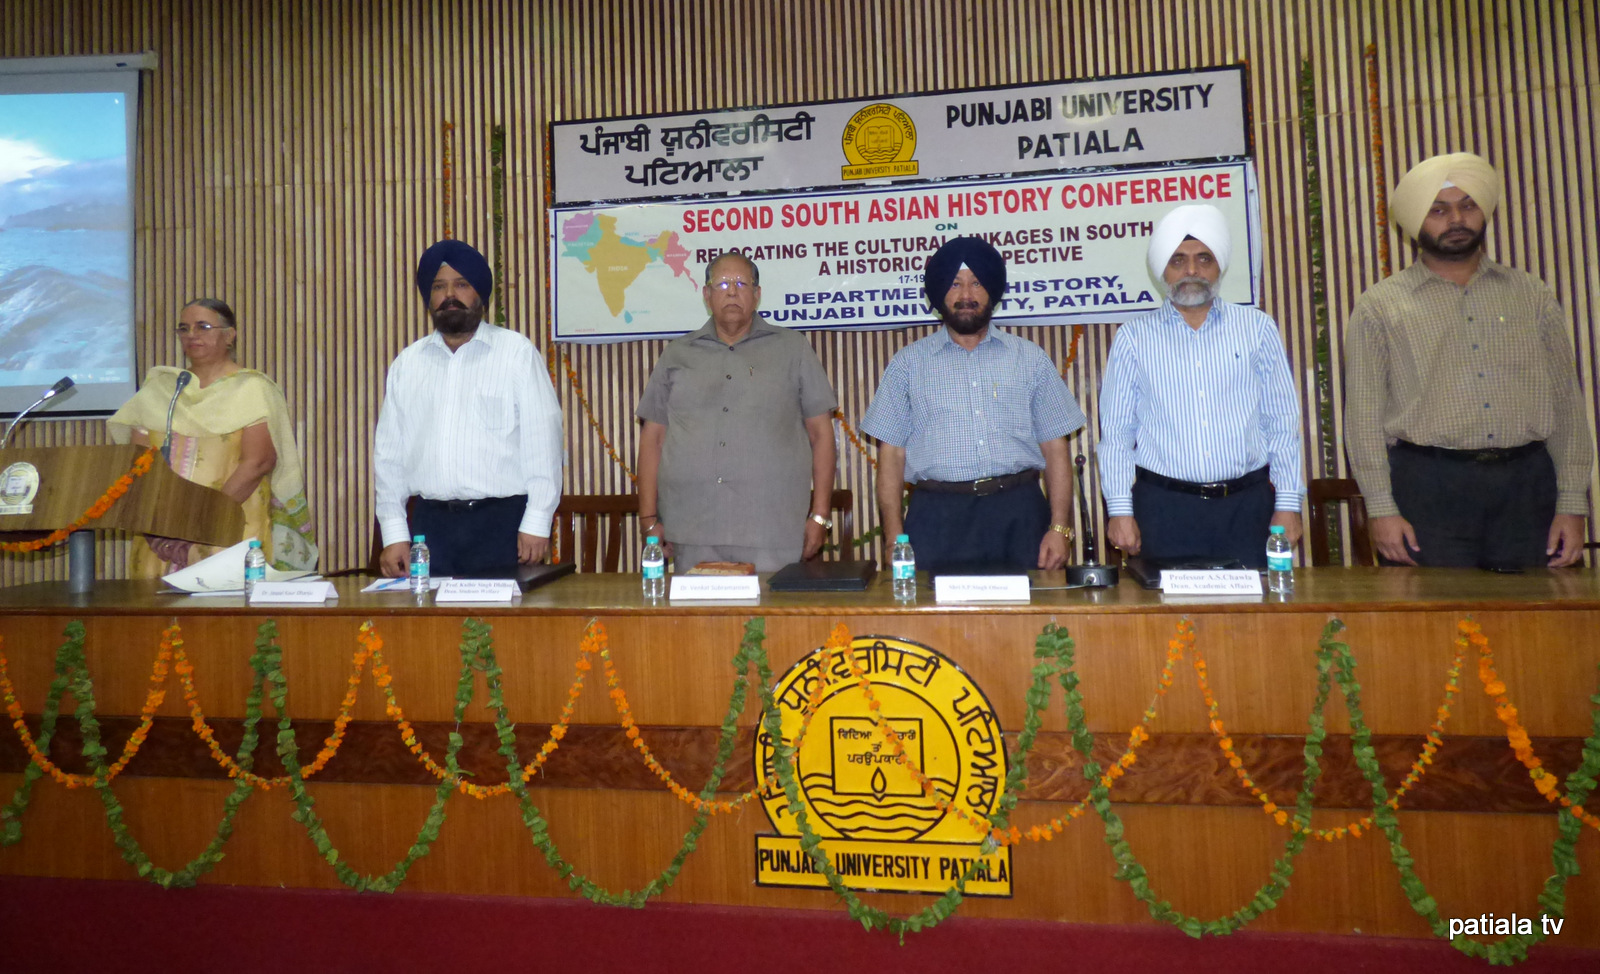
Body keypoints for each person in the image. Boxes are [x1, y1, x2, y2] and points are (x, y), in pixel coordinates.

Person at [1344, 152, 1592, 568]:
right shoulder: (1380, 306)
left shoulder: (1531, 295)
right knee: (1434, 608)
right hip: (1427, 489)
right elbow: (1363, 417)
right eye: (1438, 210)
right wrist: (1382, 508)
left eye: (1468, 205)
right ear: (1417, 221)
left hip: (1528, 488)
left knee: (1536, 609)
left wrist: (1571, 502)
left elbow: (1566, 403)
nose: (1456, 219)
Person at [860, 236, 1085, 574]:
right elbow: (891, 457)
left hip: (1020, 515)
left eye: (977, 282)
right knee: (933, 610)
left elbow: (1056, 448)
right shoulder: (907, 365)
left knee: (1030, 609)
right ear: (939, 294)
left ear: (992, 291)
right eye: (955, 283)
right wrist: (894, 538)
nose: (966, 295)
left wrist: (1059, 528)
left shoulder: (1030, 359)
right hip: (936, 519)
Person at [1099, 204, 1303, 569]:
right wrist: (1119, 509)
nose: (1191, 270)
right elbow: (1116, 433)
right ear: (1162, 269)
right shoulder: (1133, 338)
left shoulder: (1257, 328)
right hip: (1164, 510)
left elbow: (1281, 422)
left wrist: (1288, 503)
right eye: (1178, 260)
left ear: (1219, 265)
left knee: (1255, 605)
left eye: (1203, 258)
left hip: (1248, 508)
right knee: (1166, 606)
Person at [636, 253, 838, 573]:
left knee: (771, 609)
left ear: (757, 295)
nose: (732, 291)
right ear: (706, 295)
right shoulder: (676, 355)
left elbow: (821, 435)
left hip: (772, 529)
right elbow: (653, 439)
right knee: (698, 609)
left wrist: (820, 516)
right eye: (722, 284)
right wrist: (648, 519)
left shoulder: (793, 348)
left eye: (742, 284)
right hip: (691, 530)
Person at [373, 239, 563, 577]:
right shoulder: (408, 364)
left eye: (461, 284)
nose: (450, 295)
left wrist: (537, 521)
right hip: (429, 530)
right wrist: (394, 532)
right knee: (428, 614)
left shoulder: (516, 354)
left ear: (479, 294)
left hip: (502, 526)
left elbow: (543, 442)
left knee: (503, 614)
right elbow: (389, 458)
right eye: (438, 287)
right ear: (428, 298)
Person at [107, 298, 318, 575]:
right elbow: (137, 464)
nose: (192, 335)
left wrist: (200, 521)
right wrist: (161, 525)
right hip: (162, 533)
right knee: (154, 600)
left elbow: (258, 463)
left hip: (227, 525)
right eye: (184, 328)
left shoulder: (252, 389)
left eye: (203, 326)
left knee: (224, 600)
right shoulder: (160, 391)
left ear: (229, 335)